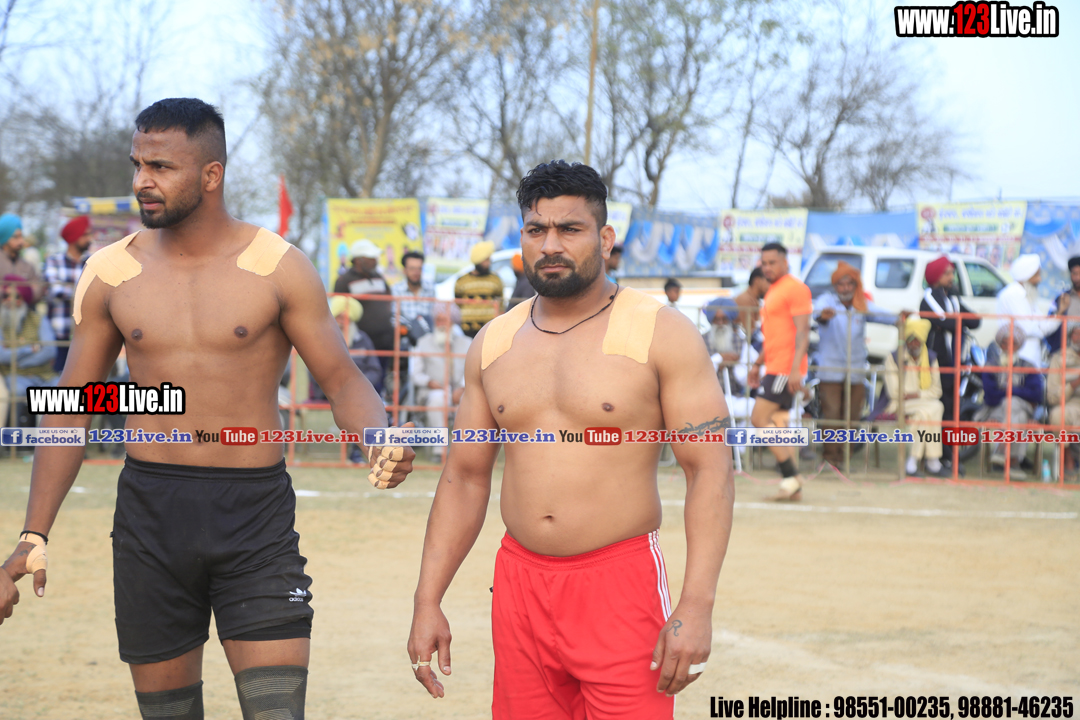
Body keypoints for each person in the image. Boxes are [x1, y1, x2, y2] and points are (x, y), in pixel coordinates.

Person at [0, 98, 415, 720]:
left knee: (277, 712)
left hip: (255, 515)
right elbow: (70, 407)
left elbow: (341, 377)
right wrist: (33, 533)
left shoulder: (277, 265)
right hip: (150, 514)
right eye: (138, 164)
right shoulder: (110, 272)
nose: (142, 180)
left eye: (161, 167)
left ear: (211, 174)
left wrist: (377, 434)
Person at [407, 160, 734, 719]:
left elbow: (710, 469)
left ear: (605, 239)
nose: (551, 245)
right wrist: (427, 598)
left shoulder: (659, 332)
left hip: (619, 582)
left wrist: (696, 604)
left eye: (570, 229)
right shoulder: (494, 342)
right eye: (536, 230)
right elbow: (464, 476)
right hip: (519, 584)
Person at [813, 261, 898, 467]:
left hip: (856, 371)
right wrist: (823, 315)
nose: (845, 289)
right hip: (830, 370)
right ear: (835, 286)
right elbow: (817, 313)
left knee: (852, 417)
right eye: (841, 285)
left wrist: (901, 317)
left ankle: (845, 459)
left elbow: (885, 316)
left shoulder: (861, 304)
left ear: (855, 285)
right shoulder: (827, 300)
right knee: (832, 415)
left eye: (849, 284)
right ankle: (830, 459)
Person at [748, 242, 810, 499]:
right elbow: (773, 335)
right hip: (774, 366)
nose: (767, 267)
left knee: (758, 418)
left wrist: (795, 369)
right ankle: (791, 485)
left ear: (785, 262)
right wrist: (757, 363)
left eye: (772, 262)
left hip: (785, 368)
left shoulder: (796, 288)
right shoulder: (773, 290)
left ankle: (791, 476)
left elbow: (803, 332)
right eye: (764, 263)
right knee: (780, 424)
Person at [920, 255, 980, 430]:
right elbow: (949, 322)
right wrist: (956, 321)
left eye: (952, 273)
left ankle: (950, 447)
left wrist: (954, 321)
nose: (951, 277)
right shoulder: (929, 298)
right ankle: (938, 446)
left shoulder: (953, 299)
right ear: (936, 277)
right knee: (940, 408)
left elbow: (975, 321)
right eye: (947, 274)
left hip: (956, 363)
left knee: (953, 410)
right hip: (938, 363)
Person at [977, 324, 1041, 478]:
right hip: (996, 410)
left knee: (1012, 402)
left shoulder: (1028, 366)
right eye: (1005, 343)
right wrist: (1016, 392)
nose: (1009, 347)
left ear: (1019, 345)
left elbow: (1036, 395)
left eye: (1013, 343)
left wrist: (1008, 391)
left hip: (1022, 407)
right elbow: (991, 396)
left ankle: (1002, 449)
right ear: (1000, 344)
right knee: (1017, 413)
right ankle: (1014, 463)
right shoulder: (991, 365)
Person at [884, 318, 945, 477]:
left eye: (917, 340)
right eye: (910, 340)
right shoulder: (895, 357)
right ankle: (932, 462)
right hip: (898, 403)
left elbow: (937, 391)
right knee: (936, 407)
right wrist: (912, 396)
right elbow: (894, 392)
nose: (913, 344)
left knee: (923, 415)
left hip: (922, 404)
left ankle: (912, 462)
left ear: (923, 340)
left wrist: (917, 394)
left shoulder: (930, 358)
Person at [409, 303, 471, 460]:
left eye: (445, 320)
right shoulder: (423, 342)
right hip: (432, 391)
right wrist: (428, 381)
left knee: (469, 403)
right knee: (438, 398)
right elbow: (415, 373)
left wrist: (462, 387)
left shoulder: (467, 343)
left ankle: (463, 452)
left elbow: (473, 369)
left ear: (453, 322)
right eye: (438, 320)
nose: (441, 324)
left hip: (462, 391)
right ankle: (439, 451)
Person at [44, 216, 94, 372]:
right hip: (59, 330)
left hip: (86, 333)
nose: (89, 239)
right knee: (58, 375)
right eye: (85, 235)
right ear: (74, 237)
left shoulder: (93, 262)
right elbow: (55, 290)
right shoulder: (54, 261)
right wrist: (87, 294)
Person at [333, 238, 396, 359]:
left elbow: (389, 297)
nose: (375, 261)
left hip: (385, 339)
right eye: (371, 258)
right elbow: (339, 309)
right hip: (361, 343)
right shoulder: (344, 280)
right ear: (358, 260)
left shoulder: (378, 277)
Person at [0, 274, 58, 404]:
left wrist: (20, 363)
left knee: (63, 393)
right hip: (16, 376)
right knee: (20, 392)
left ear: (24, 299)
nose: (10, 300)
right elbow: (2, 356)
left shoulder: (38, 319)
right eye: (6, 296)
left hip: (43, 375)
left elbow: (50, 351)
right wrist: (31, 349)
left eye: (16, 296)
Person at [996, 253, 1060, 367]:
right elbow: (1027, 328)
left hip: (1031, 357)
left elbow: (1041, 324)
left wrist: (1059, 313)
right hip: (1018, 357)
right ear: (1026, 276)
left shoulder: (1028, 295)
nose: (1040, 279)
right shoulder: (1012, 294)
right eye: (1036, 275)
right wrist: (1041, 329)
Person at [1047, 321, 1080, 478]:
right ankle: (1068, 462)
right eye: (1077, 334)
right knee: (1058, 415)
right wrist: (1074, 384)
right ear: (1070, 336)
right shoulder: (1059, 358)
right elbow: (1052, 396)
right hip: (1069, 404)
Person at [455, 240, 503, 337]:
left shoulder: (495, 280)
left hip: (489, 329)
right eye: (486, 260)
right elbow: (458, 303)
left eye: (489, 259)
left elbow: (500, 303)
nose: (488, 263)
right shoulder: (462, 281)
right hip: (467, 331)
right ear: (478, 260)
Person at [0, 213, 44, 303]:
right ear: (4, 238)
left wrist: (24, 293)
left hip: (23, 311)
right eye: (16, 237)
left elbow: (38, 289)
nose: (21, 241)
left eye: (21, 236)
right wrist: (5, 293)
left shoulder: (27, 266)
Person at [391, 250, 435, 327]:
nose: (416, 272)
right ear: (404, 270)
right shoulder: (396, 290)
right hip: (404, 331)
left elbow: (435, 315)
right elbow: (394, 317)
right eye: (412, 269)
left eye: (419, 269)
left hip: (428, 332)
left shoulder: (431, 289)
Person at [1047, 256, 1080, 353]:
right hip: (1066, 352)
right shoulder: (1061, 298)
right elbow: (1048, 327)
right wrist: (1060, 311)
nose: (1077, 278)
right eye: (1074, 273)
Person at [735, 266, 768, 347]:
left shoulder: (755, 300)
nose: (770, 284)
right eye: (767, 280)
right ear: (757, 281)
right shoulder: (745, 300)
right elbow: (751, 331)